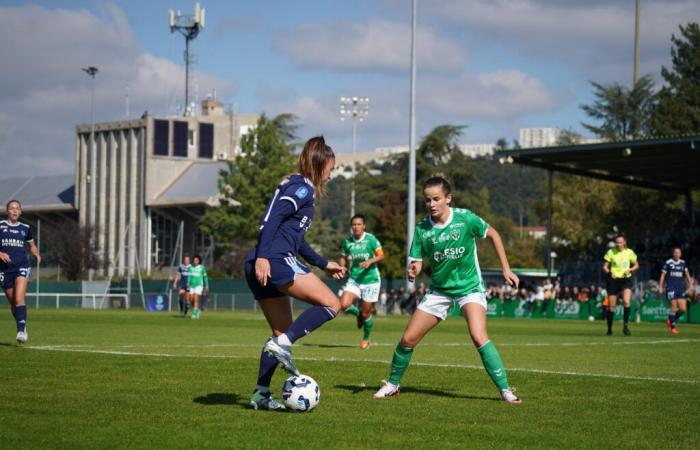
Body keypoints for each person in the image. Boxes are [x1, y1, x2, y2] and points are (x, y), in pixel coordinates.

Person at [373, 176, 522, 404]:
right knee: (407, 340)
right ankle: (393, 384)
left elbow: (494, 234)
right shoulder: (423, 229)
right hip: (439, 291)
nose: (431, 204)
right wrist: (413, 270)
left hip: (469, 288)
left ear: (448, 198)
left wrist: (506, 269)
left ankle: (505, 391)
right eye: (427, 200)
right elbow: (417, 261)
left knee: (478, 335)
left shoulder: (465, 219)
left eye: (436, 199)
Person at [244, 136, 346, 411]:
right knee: (331, 303)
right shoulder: (301, 188)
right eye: (331, 168)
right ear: (320, 163)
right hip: (274, 260)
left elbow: (296, 240)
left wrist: (324, 264)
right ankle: (284, 345)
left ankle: (260, 394)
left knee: (279, 333)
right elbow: (270, 219)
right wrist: (264, 256)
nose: (331, 174)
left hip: (263, 260)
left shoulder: (299, 187)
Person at [339, 214, 385, 349]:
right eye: (354, 224)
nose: (356, 227)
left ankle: (366, 339)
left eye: (359, 224)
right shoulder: (347, 242)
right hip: (354, 279)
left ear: (364, 226)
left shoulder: (371, 239)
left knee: (366, 314)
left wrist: (370, 261)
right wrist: (342, 267)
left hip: (371, 280)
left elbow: (381, 256)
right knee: (344, 304)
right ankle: (358, 315)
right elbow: (342, 256)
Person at [0, 200, 41, 344]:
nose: (15, 210)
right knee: (13, 303)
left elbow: (32, 245)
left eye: (17, 208)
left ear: (21, 212)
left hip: (22, 265)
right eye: (12, 208)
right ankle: (21, 325)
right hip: (4, 270)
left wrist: (36, 253)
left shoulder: (25, 228)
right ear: (7, 211)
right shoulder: (0, 226)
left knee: (19, 298)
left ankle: (21, 331)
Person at [602, 233, 639, 336]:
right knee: (611, 307)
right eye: (617, 242)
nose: (618, 244)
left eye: (620, 242)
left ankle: (625, 327)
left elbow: (636, 265)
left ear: (624, 242)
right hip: (613, 281)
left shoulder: (629, 252)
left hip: (625, 280)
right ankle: (609, 330)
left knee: (627, 302)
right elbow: (605, 267)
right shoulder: (611, 252)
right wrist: (610, 272)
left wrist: (630, 270)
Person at [658, 247, 693, 334]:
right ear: (673, 254)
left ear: (680, 254)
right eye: (675, 253)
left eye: (678, 253)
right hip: (670, 288)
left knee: (683, 309)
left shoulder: (683, 263)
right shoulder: (668, 263)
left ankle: (670, 320)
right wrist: (660, 287)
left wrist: (691, 285)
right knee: (673, 307)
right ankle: (672, 327)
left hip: (680, 288)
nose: (677, 254)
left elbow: (687, 274)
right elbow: (662, 275)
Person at [187, 255, 208, 319]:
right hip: (191, 285)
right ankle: (197, 309)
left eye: (196, 260)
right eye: (194, 260)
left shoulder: (202, 267)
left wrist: (206, 285)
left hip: (199, 285)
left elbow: (205, 277)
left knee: (196, 297)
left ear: (199, 261)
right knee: (191, 298)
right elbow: (189, 276)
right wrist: (188, 282)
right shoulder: (190, 267)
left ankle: (194, 313)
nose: (195, 261)